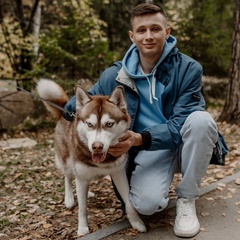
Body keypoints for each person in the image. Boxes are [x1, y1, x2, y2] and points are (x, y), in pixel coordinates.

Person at [63, 2, 228, 238]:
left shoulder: (189, 69)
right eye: (141, 30)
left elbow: (180, 123)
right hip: (151, 150)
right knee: (146, 206)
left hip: (184, 143)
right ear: (132, 36)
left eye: (155, 29)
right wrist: (69, 109)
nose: (148, 36)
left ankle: (187, 199)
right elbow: (83, 102)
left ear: (167, 32)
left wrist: (139, 138)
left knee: (201, 120)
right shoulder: (114, 75)